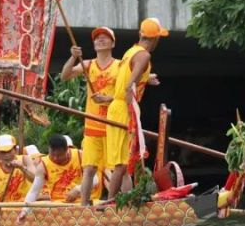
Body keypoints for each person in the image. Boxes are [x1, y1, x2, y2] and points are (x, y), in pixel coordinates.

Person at [106, 17, 166, 199]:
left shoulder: (130, 52)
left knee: (124, 162)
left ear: (140, 34)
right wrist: (131, 100)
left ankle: (124, 200)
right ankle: (108, 203)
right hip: (125, 108)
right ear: (155, 39)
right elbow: (128, 83)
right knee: (122, 163)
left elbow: (126, 77)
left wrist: (144, 79)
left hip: (116, 107)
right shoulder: (145, 55)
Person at [60, 26, 121, 206]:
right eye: (97, 38)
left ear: (113, 43)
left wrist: (109, 99)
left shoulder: (120, 65)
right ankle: (85, 206)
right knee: (89, 169)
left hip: (113, 124)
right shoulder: (88, 64)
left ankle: (121, 203)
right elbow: (64, 75)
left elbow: (128, 92)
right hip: (93, 124)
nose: (100, 40)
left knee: (119, 168)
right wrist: (73, 56)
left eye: (105, 37)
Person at [39, 133, 84, 202]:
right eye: (52, 155)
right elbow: (34, 191)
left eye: (59, 155)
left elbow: (95, 179)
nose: (55, 158)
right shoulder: (43, 163)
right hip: (56, 205)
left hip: (80, 202)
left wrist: (78, 189)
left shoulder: (80, 155)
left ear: (67, 149)